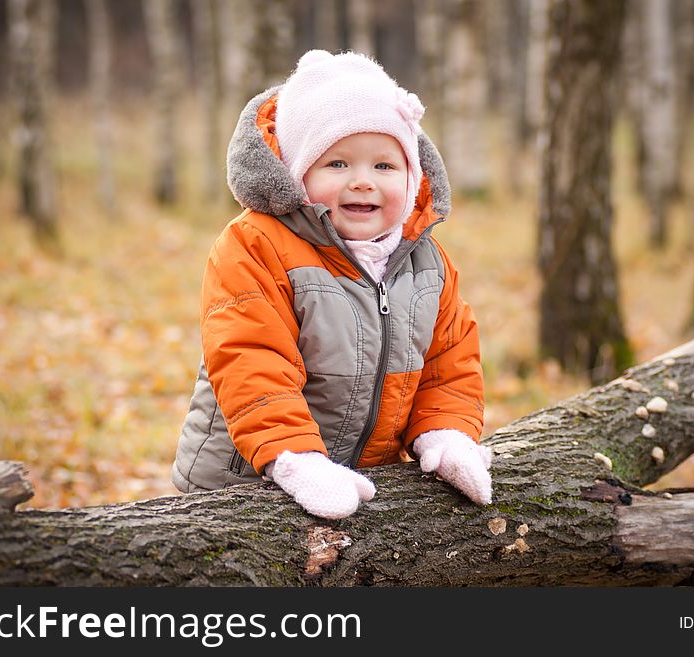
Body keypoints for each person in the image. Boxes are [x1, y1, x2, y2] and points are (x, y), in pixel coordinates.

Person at [172, 50, 492, 519]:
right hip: (247, 481)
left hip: (364, 485)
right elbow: (251, 359)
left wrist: (446, 433)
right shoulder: (258, 245)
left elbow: (449, 361)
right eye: (337, 164)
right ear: (300, 175)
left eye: (384, 166)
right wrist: (295, 457)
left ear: (412, 176)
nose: (363, 182)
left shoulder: (426, 261)